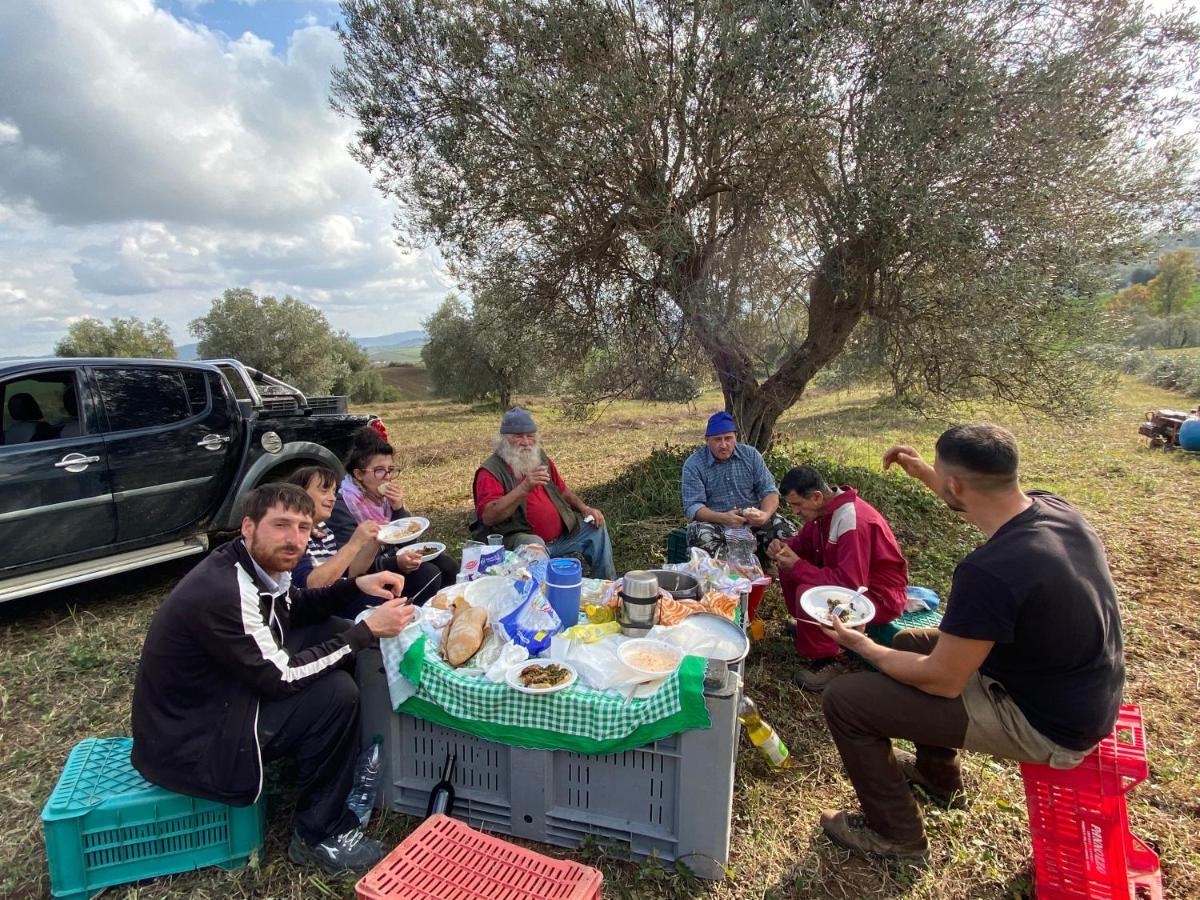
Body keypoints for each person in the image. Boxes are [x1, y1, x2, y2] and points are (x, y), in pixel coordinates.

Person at [813, 424, 1125, 861]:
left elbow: (942, 681)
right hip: (1075, 685)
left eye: (942, 475)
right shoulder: (1054, 509)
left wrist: (859, 643)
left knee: (846, 700)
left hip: (1048, 722)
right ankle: (936, 776)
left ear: (956, 483)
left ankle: (897, 835)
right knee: (907, 640)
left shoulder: (988, 572)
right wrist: (926, 472)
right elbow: (978, 501)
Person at [131, 483, 416, 875]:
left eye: (303, 527)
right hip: (192, 742)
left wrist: (354, 586)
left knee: (329, 628)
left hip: (219, 697)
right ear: (248, 526)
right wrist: (364, 633)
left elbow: (294, 606)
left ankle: (325, 767)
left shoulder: (253, 566)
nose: (294, 539)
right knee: (335, 693)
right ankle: (318, 836)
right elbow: (281, 679)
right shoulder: (226, 590)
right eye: (281, 525)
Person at [766, 466, 909, 691]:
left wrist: (798, 566)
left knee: (807, 588)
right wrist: (784, 547)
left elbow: (851, 585)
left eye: (797, 505)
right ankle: (811, 628)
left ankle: (832, 657)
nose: (794, 512)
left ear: (816, 497)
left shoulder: (853, 522)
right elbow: (804, 542)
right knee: (791, 569)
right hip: (856, 585)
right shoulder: (824, 511)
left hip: (877, 597)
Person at [470, 407, 615, 579]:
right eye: (518, 436)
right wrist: (524, 488)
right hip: (518, 542)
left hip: (560, 539)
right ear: (504, 440)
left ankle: (607, 586)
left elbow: (563, 491)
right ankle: (542, 601)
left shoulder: (540, 458)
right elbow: (489, 516)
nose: (526, 442)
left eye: (530, 435)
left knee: (594, 527)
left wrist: (584, 508)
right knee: (534, 545)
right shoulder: (490, 471)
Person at [327, 428, 458, 608]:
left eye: (390, 470)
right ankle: (410, 621)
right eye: (379, 471)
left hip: (390, 559)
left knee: (447, 564)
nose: (387, 477)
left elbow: (407, 543)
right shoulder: (344, 506)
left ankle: (446, 612)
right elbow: (352, 567)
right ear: (359, 475)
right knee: (429, 574)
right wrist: (396, 563)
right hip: (365, 575)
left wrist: (398, 508)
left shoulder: (383, 501)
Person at [681, 410, 796, 559]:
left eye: (728, 438)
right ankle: (725, 572)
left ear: (736, 437)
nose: (723, 445)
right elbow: (693, 507)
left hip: (753, 522)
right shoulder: (694, 464)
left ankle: (772, 564)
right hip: (717, 524)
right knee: (698, 533)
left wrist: (764, 515)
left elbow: (769, 491)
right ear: (707, 440)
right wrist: (724, 518)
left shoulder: (751, 455)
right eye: (717, 440)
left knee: (788, 532)